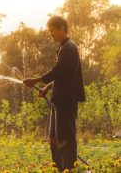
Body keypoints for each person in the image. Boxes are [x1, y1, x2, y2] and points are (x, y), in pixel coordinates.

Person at [23, 16, 86, 172]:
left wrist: (37, 80)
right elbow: (62, 75)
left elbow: (58, 71)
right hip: (58, 100)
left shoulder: (69, 48)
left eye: (52, 31)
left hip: (65, 101)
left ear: (62, 28)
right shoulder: (63, 47)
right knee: (54, 138)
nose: (51, 34)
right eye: (49, 31)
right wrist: (48, 87)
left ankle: (69, 168)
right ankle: (58, 168)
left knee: (66, 138)